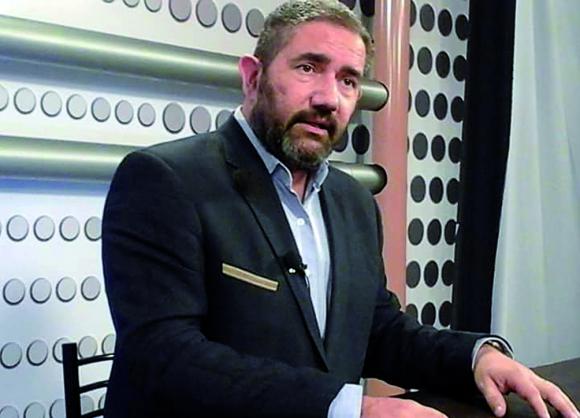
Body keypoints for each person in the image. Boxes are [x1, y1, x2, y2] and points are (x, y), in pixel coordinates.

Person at [101, 1, 579, 417]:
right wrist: (351, 408)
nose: (329, 98)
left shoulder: (353, 201)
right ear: (252, 77)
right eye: (308, 67)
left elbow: (377, 330)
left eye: (348, 80)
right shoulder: (163, 179)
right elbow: (164, 356)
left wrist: (475, 358)